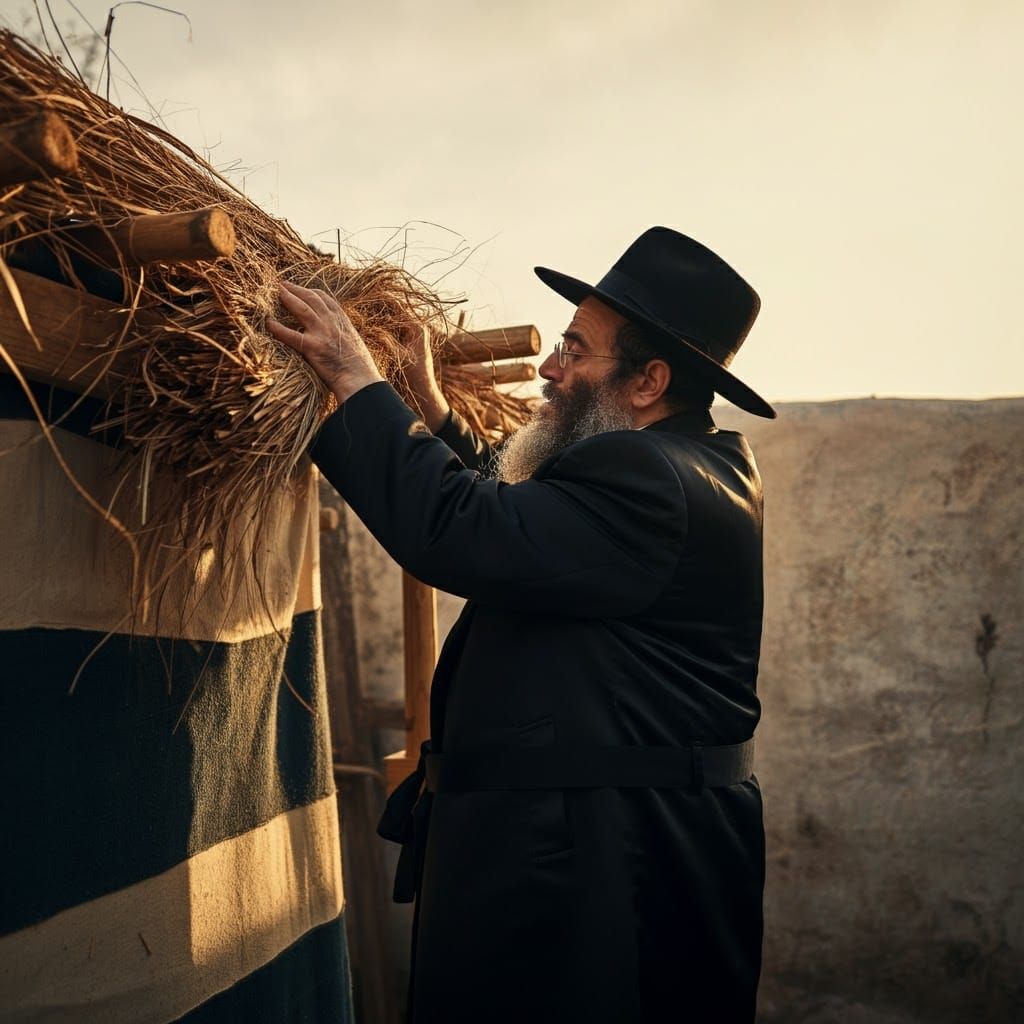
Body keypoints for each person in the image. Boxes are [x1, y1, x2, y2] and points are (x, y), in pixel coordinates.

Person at [268, 226, 774, 1023]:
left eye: (576, 349)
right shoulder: (686, 466)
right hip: (612, 851)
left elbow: (465, 531)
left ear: (648, 381)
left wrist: (354, 377)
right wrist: (432, 413)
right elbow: (525, 527)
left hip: (605, 872)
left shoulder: (650, 480)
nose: (550, 366)